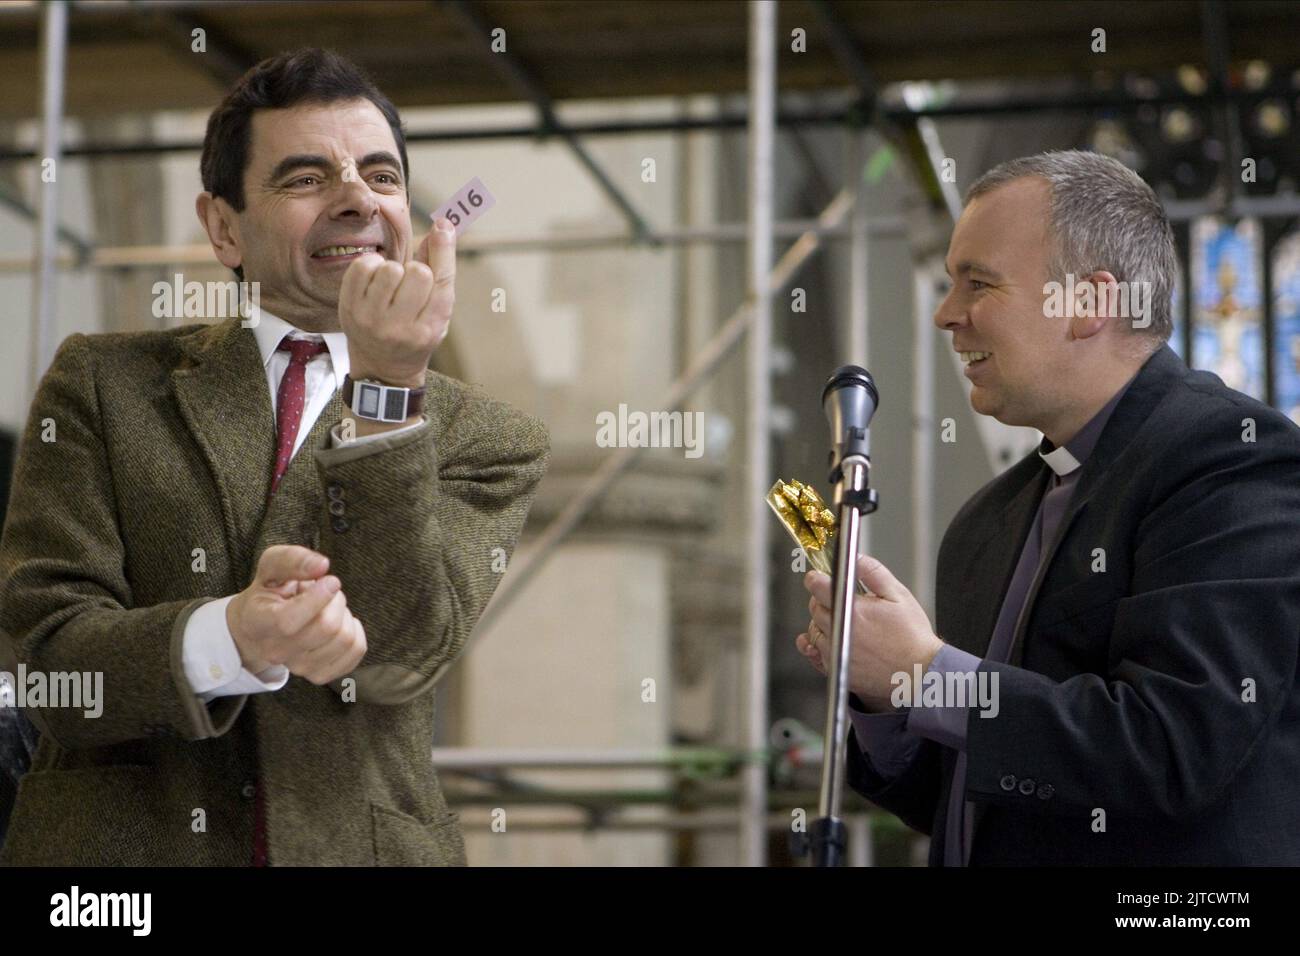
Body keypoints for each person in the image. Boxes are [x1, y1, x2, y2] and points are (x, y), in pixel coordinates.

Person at [0, 48, 549, 866]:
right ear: (224, 226)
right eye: (305, 179)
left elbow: (398, 660)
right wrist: (230, 637)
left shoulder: (488, 437)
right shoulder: (103, 383)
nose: (357, 197)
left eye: (381, 175)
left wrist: (389, 388)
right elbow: (48, 664)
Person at [796, 150, 1300, 865]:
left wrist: (927, 670)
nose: (946, 314)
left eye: (979, 283)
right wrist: (883, 694)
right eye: (949, 284)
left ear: (1088, 303)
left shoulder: (1232, 461)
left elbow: (1171, 748)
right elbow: (971, 791)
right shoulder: (983, 524)